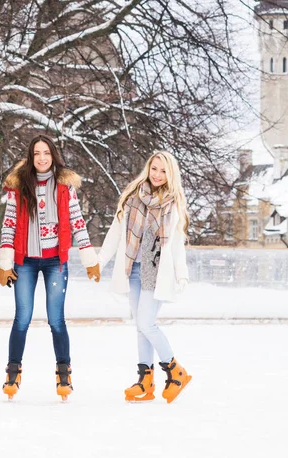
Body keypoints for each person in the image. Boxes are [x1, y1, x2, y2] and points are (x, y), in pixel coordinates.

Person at [0, 135, 100, 400]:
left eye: (46, 153)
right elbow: (8, 224)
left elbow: (77, 221)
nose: (42, 158)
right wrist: (5, 262)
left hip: (55, 261)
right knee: (22, 318)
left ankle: (63, 372)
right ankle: (13, 370)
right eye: (36, 154)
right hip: (25, 261)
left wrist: (90, 258)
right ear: (30, 158)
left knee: (56, 319)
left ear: (53, 156)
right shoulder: (18, 187)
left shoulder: (65, 186)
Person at [98, 151, 192, 403]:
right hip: (134, 270)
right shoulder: (132, 197)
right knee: (140, 326)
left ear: (170, 174)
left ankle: (176, 372)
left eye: (163, 171)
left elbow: (176, 245)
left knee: (147, 323)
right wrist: (99, 262)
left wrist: (182, 274)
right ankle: (145, 381)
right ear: (148, 168)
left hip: (157, 272)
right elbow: (115, 232)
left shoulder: (173, 204)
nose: (158, 175)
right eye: (154, 169)